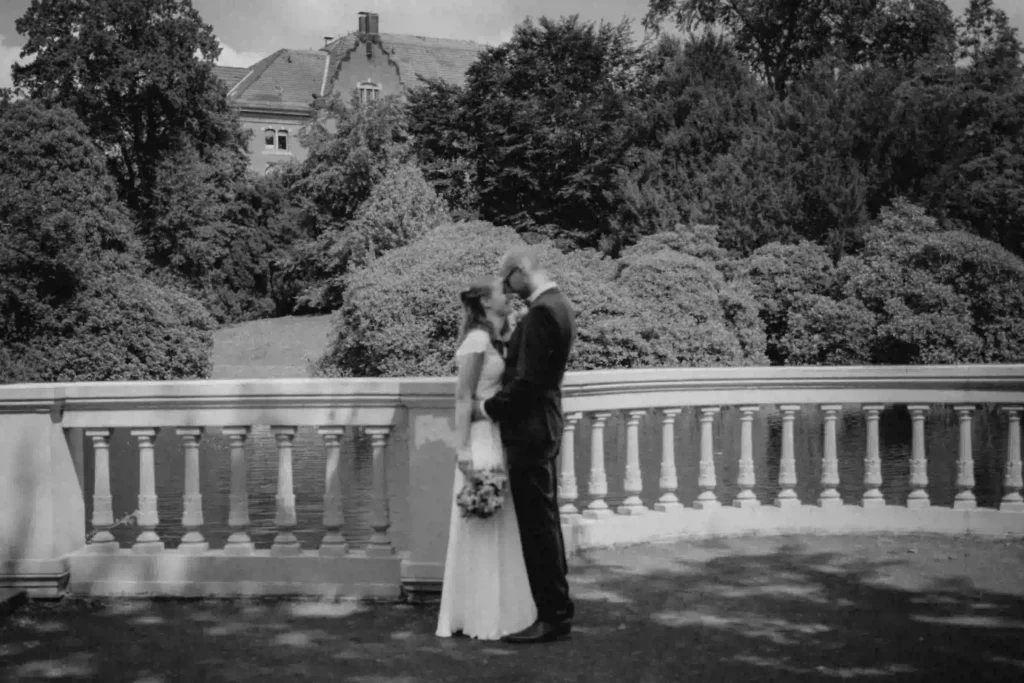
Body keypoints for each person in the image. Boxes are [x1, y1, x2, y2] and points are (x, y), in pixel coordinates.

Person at [475, 246, 576, 644]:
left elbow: (528, 382)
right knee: (546, 523)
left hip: (530, 432)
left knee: (538, 528)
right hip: (546, 426)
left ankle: (552, 616)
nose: (505, 287)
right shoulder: (561, 303)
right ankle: (557, 610)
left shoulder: (541, 312)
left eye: (506, 279)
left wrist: (486, 408)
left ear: (520, 272)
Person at [435, 276, 538, 641]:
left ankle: (493, 609)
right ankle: (479, 613)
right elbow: (463, 397)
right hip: (478, 440)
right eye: (500, 293)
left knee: (496, 520)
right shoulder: (477, 341)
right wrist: (461, 450)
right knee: (481, 521)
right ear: (483, 302)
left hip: (494, 436)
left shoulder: (494, 337)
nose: (507, 295)